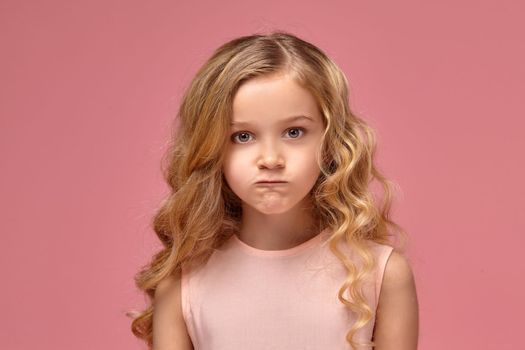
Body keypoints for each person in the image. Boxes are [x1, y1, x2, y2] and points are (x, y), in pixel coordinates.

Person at [128, 30, 419, 350]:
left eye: (294, 132)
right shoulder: (183, 281)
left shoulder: (382, 273)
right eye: (242, 136)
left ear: (332, 141)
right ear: (211, 148)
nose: (270, 159)